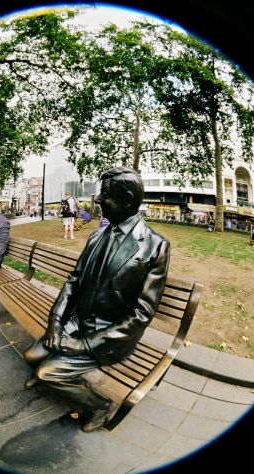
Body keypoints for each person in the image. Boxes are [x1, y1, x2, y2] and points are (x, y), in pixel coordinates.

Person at [23, 166, 170, 432]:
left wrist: (85, 345)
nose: (99, 200)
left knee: (47, 371)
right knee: (31, 356)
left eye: (106, 194)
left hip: (108, 336)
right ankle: (49, 370)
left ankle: (100, 406)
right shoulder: (97, 234)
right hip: (77, 321)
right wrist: (56, 322)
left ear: (127, 199)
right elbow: (74, 281)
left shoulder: (155, 246)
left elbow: (141, 315)